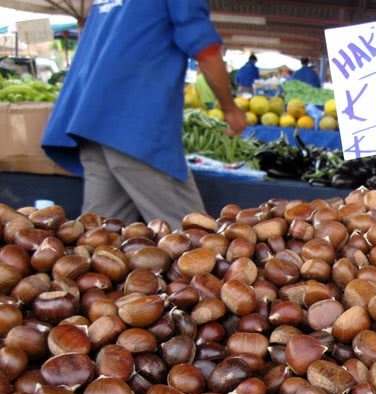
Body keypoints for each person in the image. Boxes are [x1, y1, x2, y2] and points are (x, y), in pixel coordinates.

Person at [42, 0, 246, 230]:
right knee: (191, 234)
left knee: (101, 236)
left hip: (90, 120)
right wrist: (230, 108)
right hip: (134, 121)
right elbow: (205, 49)